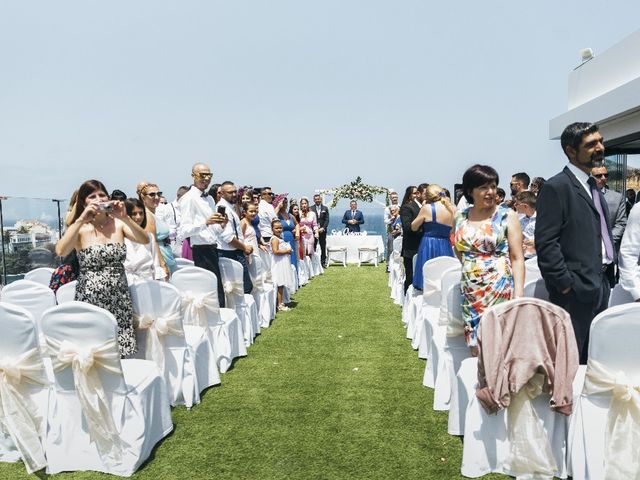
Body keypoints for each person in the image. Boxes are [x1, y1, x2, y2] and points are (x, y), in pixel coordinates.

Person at [535, 122, 616, 364]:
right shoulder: (557, 187)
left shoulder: (593, 186)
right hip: (575, 290)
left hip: (602, 283)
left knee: (594, 357)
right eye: (591, 144)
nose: (600, 147)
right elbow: (546, 243)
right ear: (571, 151)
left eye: (600, 141)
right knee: (570, 360)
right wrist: (565, 284)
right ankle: (564, 401)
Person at [55, 179, 150, 357]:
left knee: (121, 346)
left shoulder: (118, 223)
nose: (98, 199)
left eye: (101, 194)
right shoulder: (80, 228)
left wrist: (125, 217)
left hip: (119, 295)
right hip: (90, 295)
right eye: (92, 196)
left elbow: (144, 239)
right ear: (84, 202)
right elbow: (61, 250)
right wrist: (81, 219)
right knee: (94, 346)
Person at [454, 165, 524, 354]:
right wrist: (472, 265)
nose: (491, 192)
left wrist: (518, 294)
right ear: (470, 190)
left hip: (498, 286)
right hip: (470, 289)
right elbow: (458, 247)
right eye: (484, 187)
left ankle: (498, 383)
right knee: (475, 345)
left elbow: (517, 257)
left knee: (498, 344)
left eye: (493, 186)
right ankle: (479, 383)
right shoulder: (460, 216)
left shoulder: (507, 216)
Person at [178, 163, 227, 307]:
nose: (206, 179)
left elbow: (214, 230)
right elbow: (183, 231)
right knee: (209, 293)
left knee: (217, 289)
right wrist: (205, 223)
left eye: (209, 175)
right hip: (200, 250)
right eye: (202, 175)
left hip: (213, 247)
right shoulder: (188, 198)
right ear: (193, 176)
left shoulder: (210, 199)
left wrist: (221, 224)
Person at [410, 184, 455, 290]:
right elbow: (453, 230)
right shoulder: (452, 209)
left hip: (429, 245)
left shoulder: (427, 208)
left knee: (427, 278)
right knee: (444, 277)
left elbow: (413, 227)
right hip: (445, 244)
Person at [216, 181, 254, 294]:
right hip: (229, 252)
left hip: (235, 251)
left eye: (235, 191)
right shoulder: (222, 208)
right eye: (230, 192)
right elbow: (227, 237)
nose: (234, 194)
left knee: (242, 288)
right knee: (241, 287)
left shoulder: (230, 207)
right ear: (222, 193)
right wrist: (244, 248)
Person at [123, 198, 165, 284]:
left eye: (141, 213)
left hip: (148, 279)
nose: (138, 217)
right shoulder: (121, 237)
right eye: (134, 214)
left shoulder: (149, 236)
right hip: (128, 281)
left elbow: (155, 261)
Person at [138, 182, 175, 275]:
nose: (157, 197)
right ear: (143, 197)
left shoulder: (153, 214)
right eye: (152, 195)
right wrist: (162, 265)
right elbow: (153, 242)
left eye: (159, 194)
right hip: (159, 260)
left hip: (166, 256)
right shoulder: (147, 215)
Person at [591, 164, 627, 250]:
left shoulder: (617, 197)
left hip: (609, 249)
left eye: (606, 175)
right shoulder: (582, 195)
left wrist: (606, 242)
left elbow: (621, 223)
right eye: (599, 176)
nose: (603, 178)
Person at [400, 185, 423, 292]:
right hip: (412, 248)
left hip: (423, 246)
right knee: (410, 278)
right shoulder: (407, 207)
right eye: (414, 193)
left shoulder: (426, 207)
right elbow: (407, 227)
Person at [270, 219, 295, 311]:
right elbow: (275, 251)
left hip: (282, 262)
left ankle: (281, 301)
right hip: (278, 263)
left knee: (282, 283)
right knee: (279, 283)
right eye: (276, 228)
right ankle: (279, 304)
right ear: (272, 229)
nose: (279, 230)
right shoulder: (275, 239)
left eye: (280, 228)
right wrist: (287, 251)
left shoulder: (280, 238)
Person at [277, 197, 299, 272]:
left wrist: (297, 233)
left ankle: (295, 279)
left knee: (293, 257)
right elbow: (272, 219)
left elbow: (297, 224)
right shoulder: (277, 214)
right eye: (283, 203)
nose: (284, 205)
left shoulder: (290, 215)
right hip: (282, 239)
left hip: (291, 240)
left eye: (286, 203)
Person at [514, 191, 537, 259]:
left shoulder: (541, 221)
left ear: (525, 206)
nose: (514, 205)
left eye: (517, 204)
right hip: (523, 257)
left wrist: (535, 241)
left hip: (537, 260)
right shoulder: (519, 221)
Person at [312, 194, 329, 267]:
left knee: (323, 246)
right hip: (314, 231)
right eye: (316, 199)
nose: (317, 200)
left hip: (322, 231)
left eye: (318, 199)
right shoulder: (311, 208)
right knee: (313, 246)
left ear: (320, 199)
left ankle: (323, 262)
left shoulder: (325, 208)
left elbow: (327, 220)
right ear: (314, 200)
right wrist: (315, 229)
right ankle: (313, 262)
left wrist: (323, 228)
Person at [384, 191, 400, 265]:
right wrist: (391, 219)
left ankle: (398, 264)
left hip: (401, 231)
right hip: (391, 230)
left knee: (399, 248)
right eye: (393, 197)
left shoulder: (401, 207)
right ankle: (389, 265)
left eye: (396, 197)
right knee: (390, 248)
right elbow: (385, 221)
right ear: (390, 198)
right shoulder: (387, 209)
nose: (394, 199)